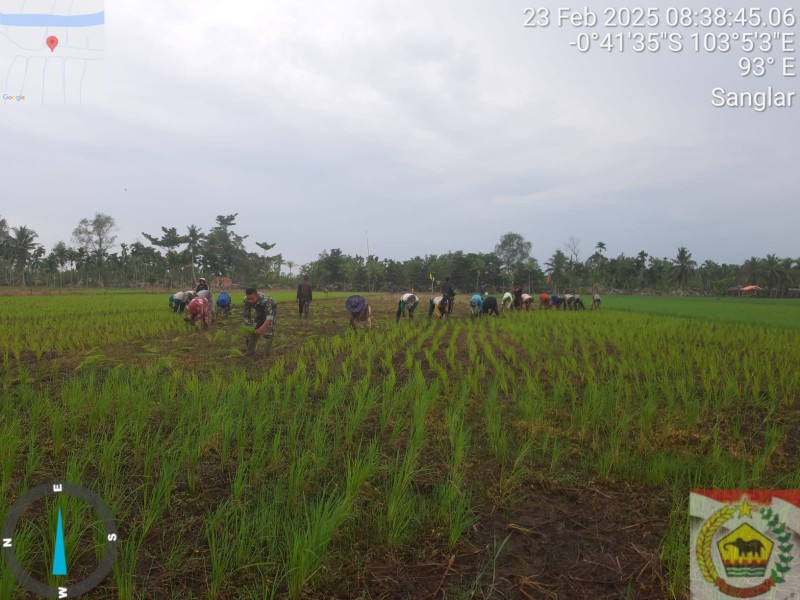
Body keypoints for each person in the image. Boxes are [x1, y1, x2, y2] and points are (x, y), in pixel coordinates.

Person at [243, 287, 278, 357]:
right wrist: (248, 328)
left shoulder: (266, 300)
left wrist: (260, 329)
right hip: (259, 310)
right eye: (248, 298)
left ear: (257, 296)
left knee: (269, 332)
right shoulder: (246, 300)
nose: (250, 301)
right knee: (253, 331)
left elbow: (269, 317)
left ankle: (266, 355)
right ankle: (249, 353)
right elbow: (246, 315)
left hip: (271, 310)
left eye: (252, 299)